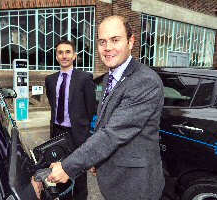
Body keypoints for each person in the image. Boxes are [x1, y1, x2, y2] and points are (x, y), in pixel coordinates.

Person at [47, 15, 165, 200]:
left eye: (115, 40)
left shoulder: (145, 81)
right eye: (102, 42)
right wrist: (96, 158)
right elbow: (103, 123)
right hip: (115, 182)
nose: (107, 47)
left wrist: (68, 167)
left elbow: (113, 133)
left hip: (136, 186)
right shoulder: (109, 77)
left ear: (130, 41)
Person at [44, 39, 97, 200]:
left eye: (68, 52)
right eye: (60, 52)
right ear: (56, 56)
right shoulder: (50, 80)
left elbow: (91, 109)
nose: (64, 56)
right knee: (59, 173)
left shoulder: (84, 78)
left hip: (78, 135)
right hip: (58, 134)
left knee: (79, 177)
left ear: (74, 56)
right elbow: (53, 104)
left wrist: (89, 135)